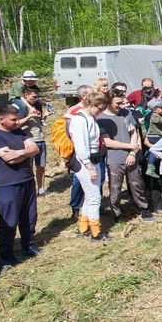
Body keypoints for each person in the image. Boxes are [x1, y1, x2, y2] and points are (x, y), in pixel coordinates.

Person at [0, 103, 42, 263]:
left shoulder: (20, 132)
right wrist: (25, 153)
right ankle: (7, 255)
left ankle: (28, 246)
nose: (18, 122)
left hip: (28, 180)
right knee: (9, 220)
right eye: (13, 120)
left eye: (17, 119)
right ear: (1, 119)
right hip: (9, 184)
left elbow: (35, 149)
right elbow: (9, 159)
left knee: (29, 217)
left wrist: (20, 152)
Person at [99, 91, 153, 222]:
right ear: (108, 102)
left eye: (123, 102)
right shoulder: (101, 118)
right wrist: (131, 147)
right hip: (114, 158)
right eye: (118, 103)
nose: (122, 105)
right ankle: (117, 212)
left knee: (136, 183)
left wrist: (133, 153)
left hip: (131, 156)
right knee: (115, 187)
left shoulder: (126, 114)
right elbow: (108, 142)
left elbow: (134, 133)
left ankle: (143, 208)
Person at [68, 92, 110, 242]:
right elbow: (80, 145)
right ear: (92, 104)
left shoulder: (91, 118)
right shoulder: (80, 120)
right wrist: (89, 167)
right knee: (95, 197)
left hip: (94, 159)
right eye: (100, 108)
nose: (101, 111)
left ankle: (83, 228)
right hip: (85, 162)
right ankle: (96, 232)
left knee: (89, 196)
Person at [12, 86, 52, 195]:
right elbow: (16, 124)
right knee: (28, 167)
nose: (36, 98)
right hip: (28, 141)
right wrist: (29, 116)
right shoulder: (20, 107)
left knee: (41, 166)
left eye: (37, 96)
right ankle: (29, 190)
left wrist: (44, 116)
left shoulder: (37, 106)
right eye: (33, 96)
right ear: (26, 95)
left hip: (40, 139)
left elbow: (37, 122)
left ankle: (41, 189)